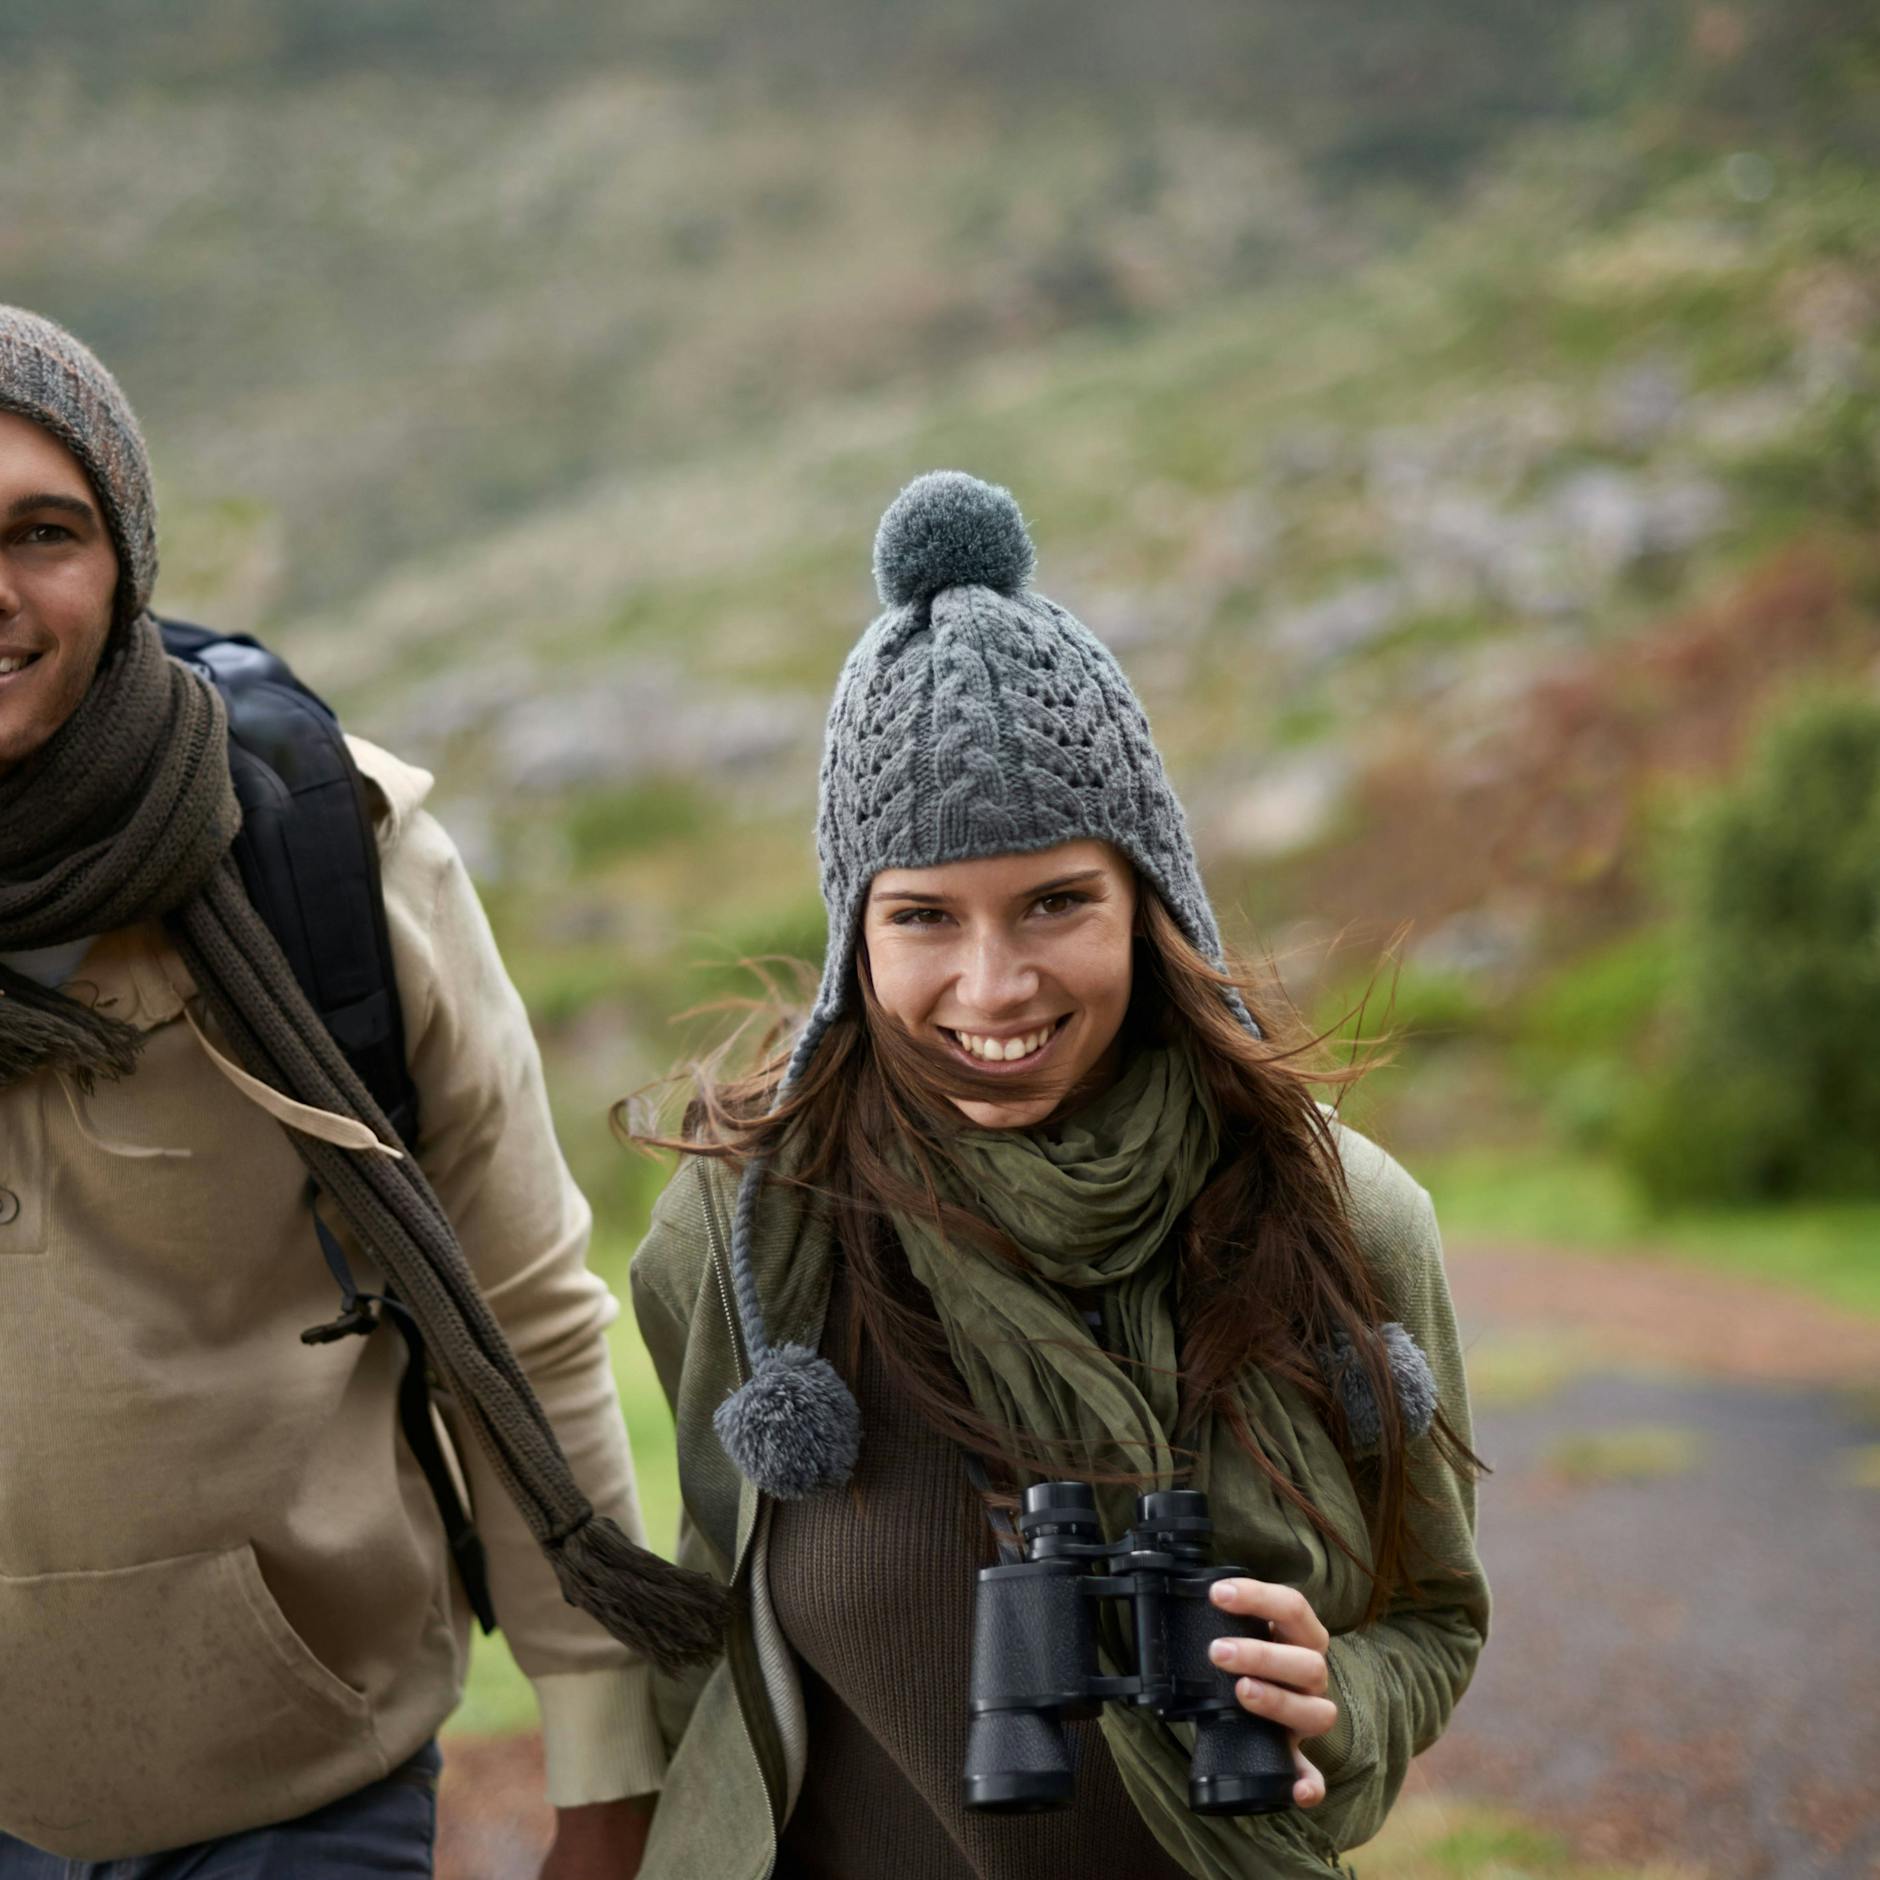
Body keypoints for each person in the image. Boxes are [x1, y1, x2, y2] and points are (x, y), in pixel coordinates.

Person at [628, 471, 1489, 1880]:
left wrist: (1349, 1702)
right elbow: (709, 1655)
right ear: (858, 933)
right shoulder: (744, 1235)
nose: (994, 985)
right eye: (922, 917)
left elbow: (1435, 1618)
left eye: (1056, 902)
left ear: (1152, 898)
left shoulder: (1342, 1218)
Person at [0, 306, 724, 1878]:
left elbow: (521, 1310)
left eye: (42, 531)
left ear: (124, 561)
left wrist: (603, 1764)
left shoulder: (328, 850)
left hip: (297, 1793)